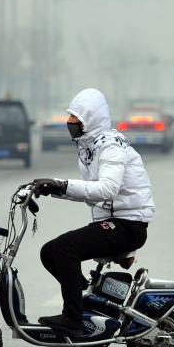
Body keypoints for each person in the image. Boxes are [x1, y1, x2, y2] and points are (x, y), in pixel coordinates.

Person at [31, 88, 154, 334]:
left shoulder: (110, 146)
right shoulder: (90, 147)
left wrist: (62, 185)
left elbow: (106, 189)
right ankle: (88, 303)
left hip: (128, 226)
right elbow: (91, 192)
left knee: (66, 248)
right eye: (70, 118)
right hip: (114, 222)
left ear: (91, 120)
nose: (70, 123)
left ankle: (73, 319)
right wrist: (52, 189)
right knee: (49, 252)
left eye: (76, 118)